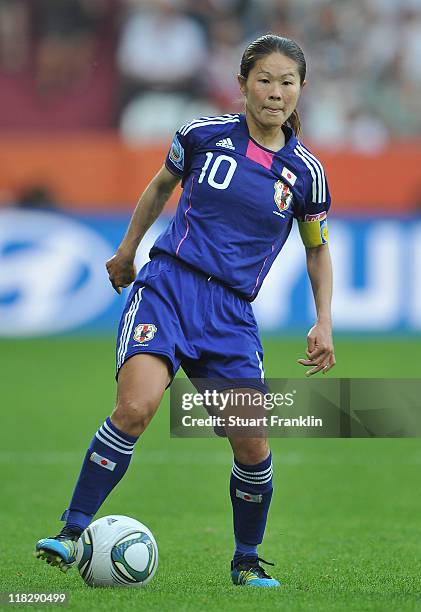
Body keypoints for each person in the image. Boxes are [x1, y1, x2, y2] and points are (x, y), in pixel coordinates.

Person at [35, 34, 335, 588]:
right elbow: (158, 188)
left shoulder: (306, 175)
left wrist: (324, 320)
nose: (275, 92)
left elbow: (316, 248)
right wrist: (127, 250)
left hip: (231, 316)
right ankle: (72, 530)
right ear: (243, 83)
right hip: (169, 289)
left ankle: (246, 562)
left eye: (287, 82)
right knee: (137, 407)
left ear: (302, 90)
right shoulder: (201, 135)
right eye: (264, 80)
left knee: (252, 444)